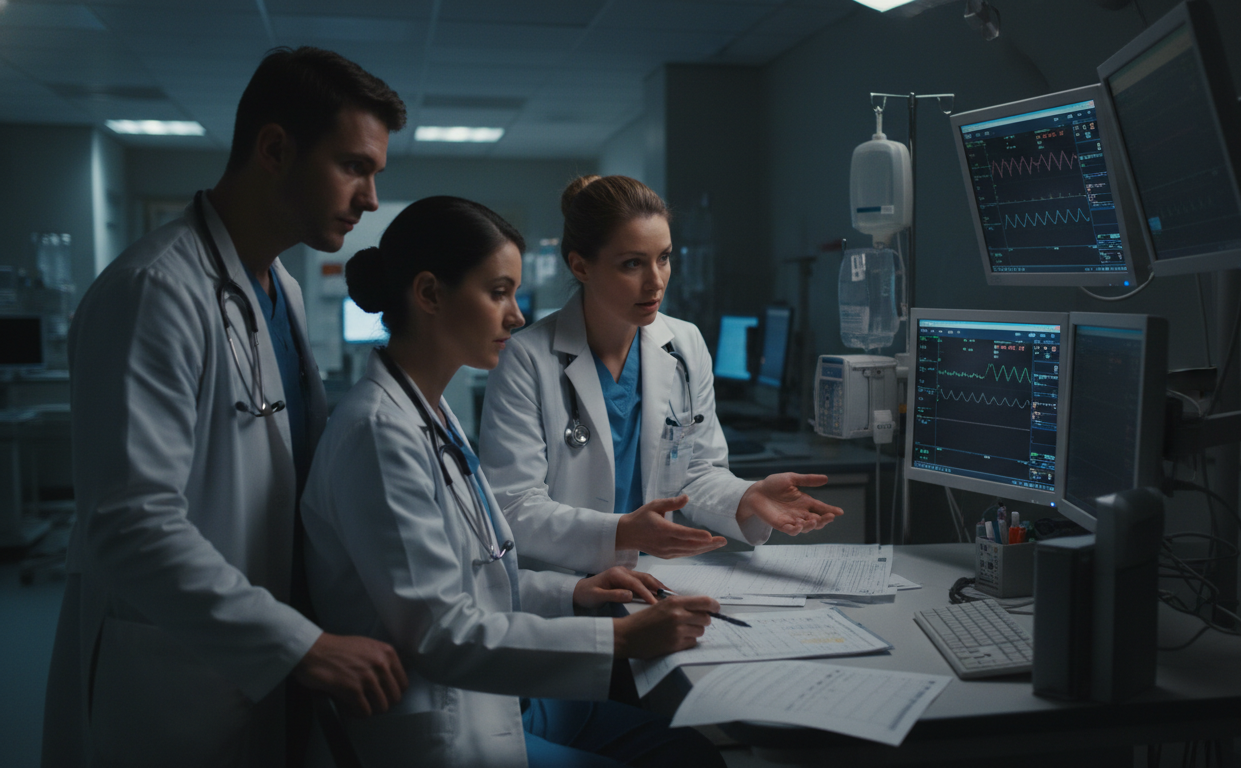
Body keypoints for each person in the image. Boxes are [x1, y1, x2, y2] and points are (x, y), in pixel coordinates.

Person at [43, 48, 410, 768]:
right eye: (353, 166)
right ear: (274, 148)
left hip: (262, 658)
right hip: (174, 677)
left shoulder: (281, 290)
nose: (370, 198)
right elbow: (127, 524)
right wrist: (295, 642)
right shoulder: (153, 291)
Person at [302, 195, 725, 767]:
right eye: (498, 292)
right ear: (429, 294)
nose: (518, 315)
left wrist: (573, 592)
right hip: (445, 723)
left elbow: (478, 579)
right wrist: (622, 639)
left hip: (500, 696)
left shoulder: (429, 412)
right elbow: (443, 634)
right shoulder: (378, 434)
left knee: (687, 752)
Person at [479, 175, 844, 574]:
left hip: (656, 579)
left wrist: (747, 497)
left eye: (664, 258)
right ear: (581, 266)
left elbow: (697, 473)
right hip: (560, 586)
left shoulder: (685, 345)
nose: (656, 281)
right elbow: (512, 507)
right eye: (632, 264)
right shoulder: (525, 360)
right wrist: (621, 533)